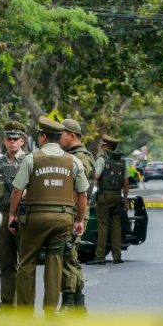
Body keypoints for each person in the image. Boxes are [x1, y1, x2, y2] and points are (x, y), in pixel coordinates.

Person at [7, 117, 89, 315]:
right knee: (54, 263)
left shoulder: (31, 159)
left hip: (35, 219)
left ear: (43, 137)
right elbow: (82, 194)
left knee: (27, 263)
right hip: (62, 220)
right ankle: (50, 312)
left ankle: (25, 313)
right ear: (59, 138)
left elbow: (17, 190)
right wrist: (79, 220)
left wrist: (12, 215)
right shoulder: (74, 161)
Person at [0, 121, 28, 311]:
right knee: (6, 260)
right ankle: (7, 302)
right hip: (2, 214)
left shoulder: (29, 161)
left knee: (24, 261)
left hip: (23, 214)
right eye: (8, 139)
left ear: (22, 142)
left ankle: (22, 303)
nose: (12, 142)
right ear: (4, 141)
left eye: (15, 139)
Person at [58, 118, 95, 314]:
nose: (59, 138)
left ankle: (69, 303)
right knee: (71, 257)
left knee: (67, 257)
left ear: (72, 136)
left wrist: (72, 215)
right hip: (74, 211)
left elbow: (78, 190)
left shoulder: (79, 158)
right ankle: (78, 305)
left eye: (62, 134)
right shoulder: (75, 155)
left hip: (74, 212)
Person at [88, 134, 129, 265]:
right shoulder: (122, 161)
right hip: (118, 196)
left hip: (104, 197)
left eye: (103, 145)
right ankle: (117, 256)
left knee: (103, 227)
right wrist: (125, 198)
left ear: (106, 146)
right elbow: (126, 182)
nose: (102, 147)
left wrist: (91, 172)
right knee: (116, 226)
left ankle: (100, 257)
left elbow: (96, 176)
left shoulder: (102, 160)